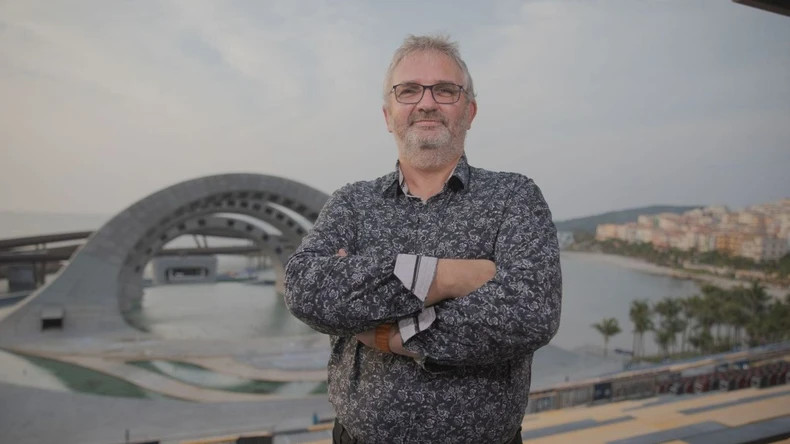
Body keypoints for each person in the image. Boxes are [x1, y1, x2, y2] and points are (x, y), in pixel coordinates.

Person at [285, 34, 562, 444]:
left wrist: (390, 335)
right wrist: (448, 277)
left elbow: (530, 311)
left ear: (469, 111)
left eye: (446, 90)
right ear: (388, 114)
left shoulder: (514, 197)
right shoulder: (352, 202)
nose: (427, 102)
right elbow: (307, 288)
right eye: (409, 90)